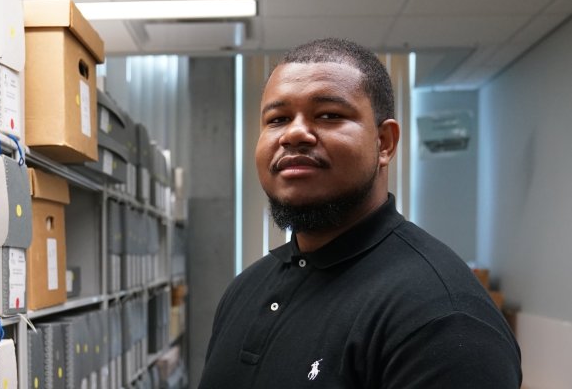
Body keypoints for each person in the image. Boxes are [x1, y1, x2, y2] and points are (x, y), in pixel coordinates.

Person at [198, 38, 521, 388]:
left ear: (385, 143)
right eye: (277, 119)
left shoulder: (444, 318)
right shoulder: (245, 289)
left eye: (329, 115)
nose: (294, 133)